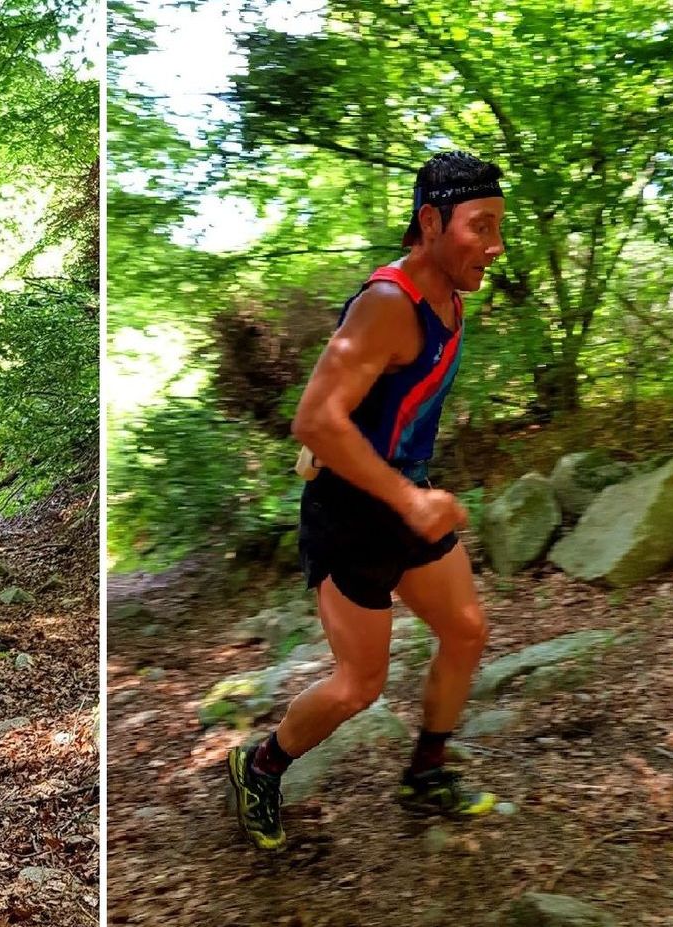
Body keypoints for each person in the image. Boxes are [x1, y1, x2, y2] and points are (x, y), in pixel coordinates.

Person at [227, 151, 507, 850]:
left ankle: (426, 772)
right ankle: (259, 764)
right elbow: (315, 420)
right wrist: (410, 501)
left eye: (500, 226)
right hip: (351, 517)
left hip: (406, 501)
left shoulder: (452, 297)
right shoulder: (388, 304)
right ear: (430, 222)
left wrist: (413, 499)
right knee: (359, 686)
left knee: (467, 630)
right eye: (482, 226)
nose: (496, 245)